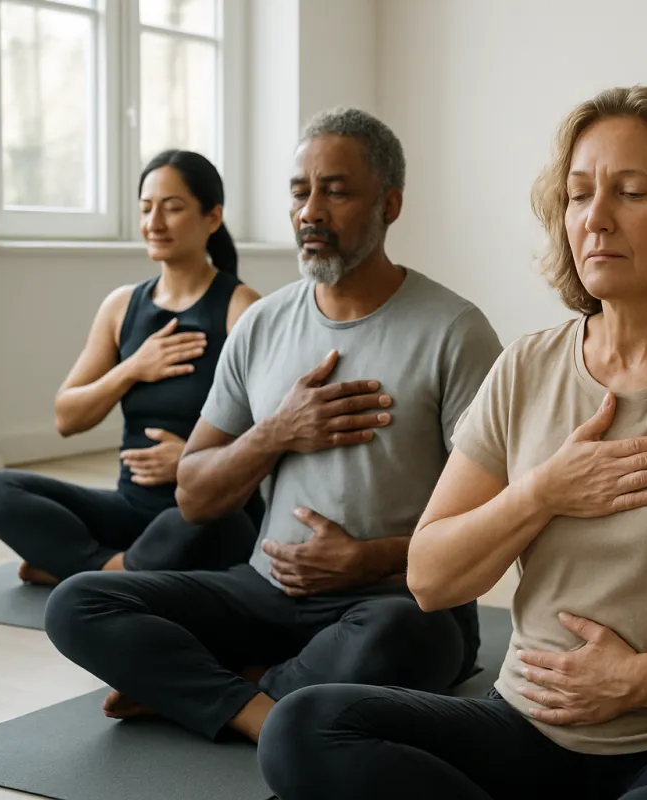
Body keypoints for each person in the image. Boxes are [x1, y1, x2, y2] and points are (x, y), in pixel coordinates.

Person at [256, 86, 647, 800]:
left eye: (631, 192)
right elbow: (431, 576)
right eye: (579, 196)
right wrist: (544, 491)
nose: (596, 219)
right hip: (529, 730)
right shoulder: (527, 367)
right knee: (302, 728)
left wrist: (636, 680)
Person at [43, 107, 504, 744]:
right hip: (263, 589)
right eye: (299, 192)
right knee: (79, 603)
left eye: (336, 191)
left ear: (389, 204)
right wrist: (275, 433)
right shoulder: (261, 323)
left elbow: (493, 527)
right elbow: (194, 495)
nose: (311, 210)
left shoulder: (455, 331)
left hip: (388, 601)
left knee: (418, 637)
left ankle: (208, 690)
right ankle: (264, 706)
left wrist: (364, 560)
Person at [0, 151, 264, 585]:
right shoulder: (121, 306)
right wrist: (132, 368)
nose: (155, 222)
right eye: (146, 209)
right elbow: (66, 418)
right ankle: (117, 570)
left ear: (212, 217)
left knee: (223, 527)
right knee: (0, 492)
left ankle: (83, 568)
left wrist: (193, 461)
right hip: (130, 508)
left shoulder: (240, 307)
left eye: (172, 207)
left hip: (198, 510)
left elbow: (271, 433)